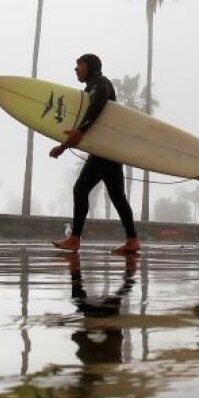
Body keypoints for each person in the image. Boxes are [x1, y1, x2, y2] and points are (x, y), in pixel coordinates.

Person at [50, 54, 141, 255]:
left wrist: (76, 135)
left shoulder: (100, 83)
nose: (76, 69)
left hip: (104, 151)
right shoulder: (92, 86)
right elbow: (88, 119)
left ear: (89, 66)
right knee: (117, 196)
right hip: (109, 149)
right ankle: (132, 240)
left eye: (79, 65)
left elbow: (96, 108)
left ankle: (74, 239)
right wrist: (64, 146)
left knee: (80, 189)